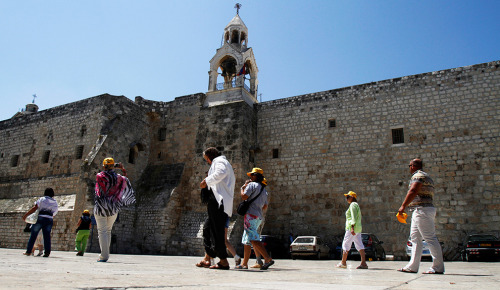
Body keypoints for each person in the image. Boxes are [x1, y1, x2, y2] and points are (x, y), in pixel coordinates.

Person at [397, 159, 444, 274]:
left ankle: (437, 267)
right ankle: (412, 266)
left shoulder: (418, 176)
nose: (409, 168)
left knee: (430, 238)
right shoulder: (427, 177)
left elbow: (413, 190)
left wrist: (403, 206)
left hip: (422, 210)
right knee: (415, 238)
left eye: (409, 165)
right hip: (420, 210)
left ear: (413, 166)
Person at [198, 147, 235, 270]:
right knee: (208, 229)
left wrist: (206, 181)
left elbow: (221, 173)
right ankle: (208, 258)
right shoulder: (220, 161)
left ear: (210, 157)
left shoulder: (219, 162)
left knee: (216, 231)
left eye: (207, 159)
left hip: (219, 202)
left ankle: (223, 261)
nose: (207, 162)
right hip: (217, 201)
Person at [94, 158, 135, 262]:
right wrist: (121, 168)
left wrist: (112, 167)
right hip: (113, 208)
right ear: (113, 166)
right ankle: (105, 255)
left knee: (102, 231)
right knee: (108, 231)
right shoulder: (119, 178)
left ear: (104, 166)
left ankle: (104, 256)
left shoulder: (100, 176)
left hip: (101, 207)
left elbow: (103, 176)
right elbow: (126, 179)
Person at [236, 168, 274, 270]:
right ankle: (244, 264)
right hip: (258, 216)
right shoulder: (264, 190)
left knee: (253, 239)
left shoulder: (251, 185)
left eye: (252, 175)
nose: (250, 177)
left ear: (256, 176)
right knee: (247, 241)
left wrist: (242, 188)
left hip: (250, 215)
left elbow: (244, 196)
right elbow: (265, 206)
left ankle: (267, 259)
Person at [22, 188, 59, 257]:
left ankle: (28, 251)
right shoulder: (55, 202)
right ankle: (47, 252)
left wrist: (26, 215)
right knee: (47, 236)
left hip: (40, 218)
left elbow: (35, 208)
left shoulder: (42, 199)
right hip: (49, 219)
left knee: (33, 235)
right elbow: (55, 212)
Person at [336, 191, 368, 269]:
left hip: (351, 228)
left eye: (348, 197)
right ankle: (363, 263)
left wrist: (352, 227)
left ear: (352, 197)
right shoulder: (356, 205)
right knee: (359, 244)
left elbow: (353, 217)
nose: (346, 199)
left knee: (346, 244)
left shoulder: (353, 205)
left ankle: (343, 262)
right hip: (358, 228)